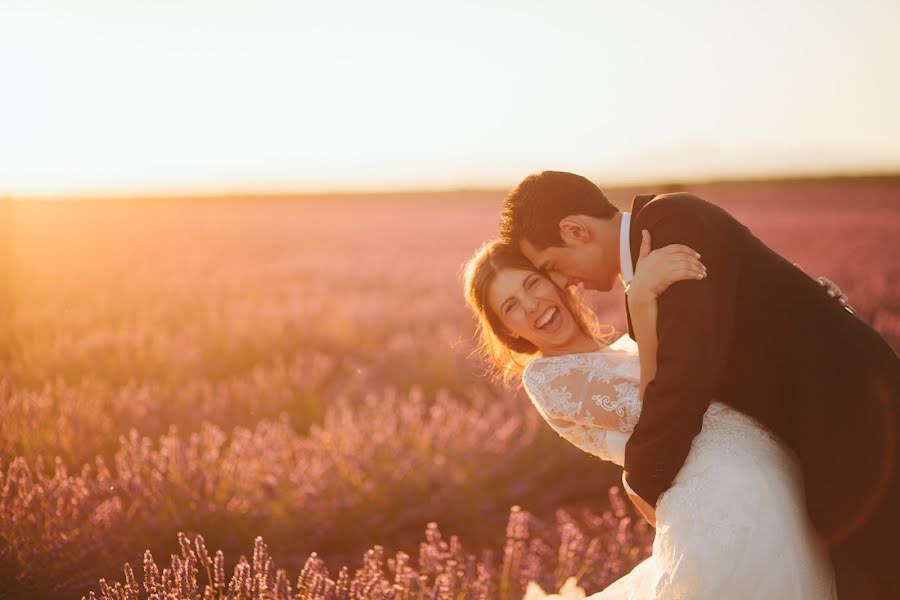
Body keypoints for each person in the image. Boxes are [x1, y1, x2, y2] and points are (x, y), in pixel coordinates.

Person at [497, 170, 900, 599]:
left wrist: (643, 480)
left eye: (550, 267)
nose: (561, 283)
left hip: (852, 424)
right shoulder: (655, 256)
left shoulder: (672, 224)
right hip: (824, 434)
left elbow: (684, 377)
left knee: (875, 572)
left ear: (575, 230)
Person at [463, 237, 847, 598]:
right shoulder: (545, 378)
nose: (531, 305)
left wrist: (802, 313)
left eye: (532, 283)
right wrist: (642, 299)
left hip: (776, 474)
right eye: (511, 306)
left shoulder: (629, 345)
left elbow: (723, 363)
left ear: (557, 280)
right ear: (506, 331)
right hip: (726, 505)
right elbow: (658, 410)